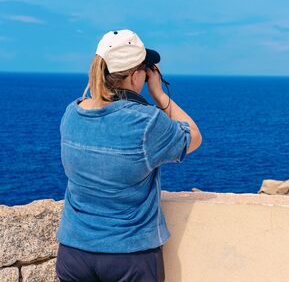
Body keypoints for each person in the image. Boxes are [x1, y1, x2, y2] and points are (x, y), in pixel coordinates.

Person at [55, 29, 202, 282]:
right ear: (135, 76)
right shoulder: (145, 122)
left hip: (74, 251)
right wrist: (159, 95)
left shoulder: (72, 113)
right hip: (129, 256)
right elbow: (194, 137)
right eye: (145, 71)